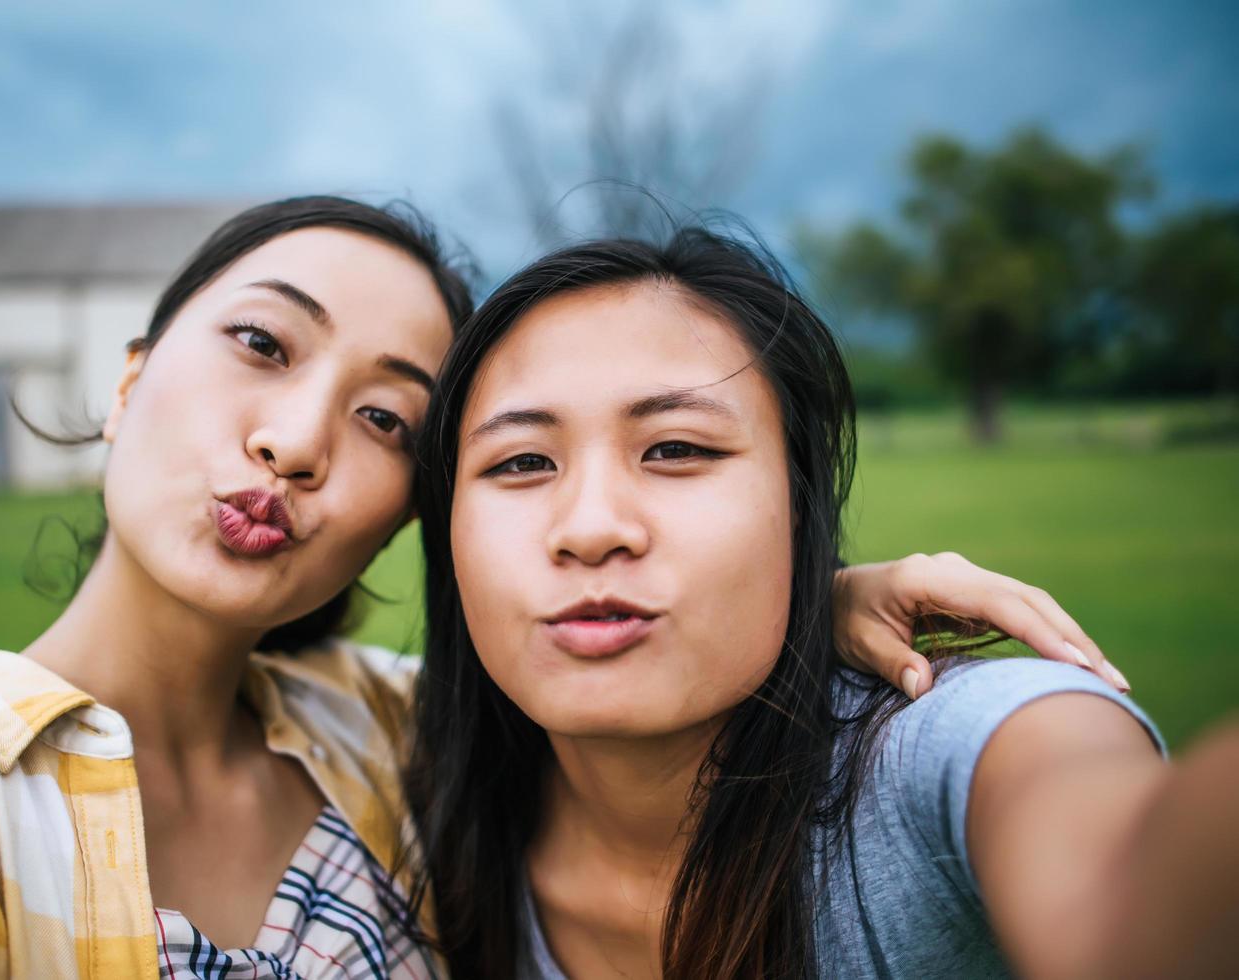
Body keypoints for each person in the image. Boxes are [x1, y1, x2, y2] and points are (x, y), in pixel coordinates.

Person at [0, 199, 1126, 980]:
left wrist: (797, 596)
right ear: (129, 380)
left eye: (385, 422)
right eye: (260, 342)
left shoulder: (402, 742)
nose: (297, 440)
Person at [403, 227, 1239, 978]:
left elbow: (1124, 890)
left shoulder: (938, 752)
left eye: (675, 448)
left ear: (801, 511)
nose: (589, 529)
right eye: (520, 463)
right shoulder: (395, 780)